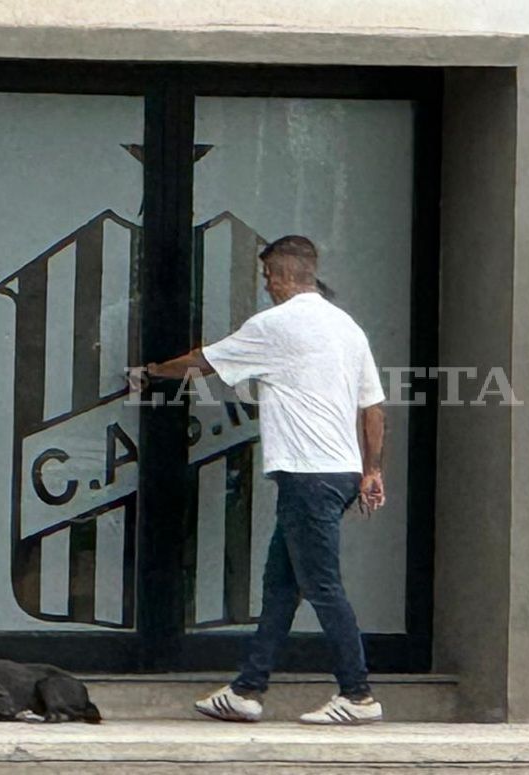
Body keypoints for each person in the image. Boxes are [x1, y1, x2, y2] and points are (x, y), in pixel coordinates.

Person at [137, 235, 387, 726]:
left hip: (307, 474)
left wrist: (151, 372)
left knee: (322, 586)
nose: (266, 285)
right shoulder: (347, 327)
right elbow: (373, 406)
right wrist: (372, 469)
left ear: (283, 273)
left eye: (267, 275)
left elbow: (204, 361)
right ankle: (247, 690)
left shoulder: (276, 325)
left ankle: (358, 695)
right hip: (336, 472)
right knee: (280, 586)